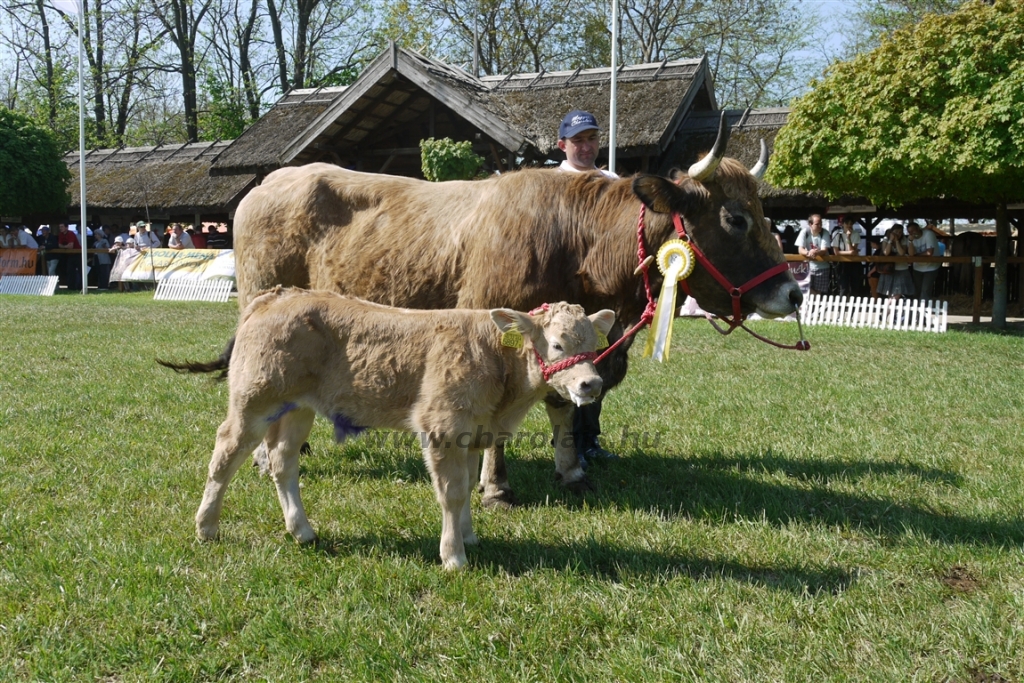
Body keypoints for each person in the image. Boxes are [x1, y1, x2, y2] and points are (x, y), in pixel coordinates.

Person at [555, 109, 618, 467]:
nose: (585, 147)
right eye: (577, 140)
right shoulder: (551, 184)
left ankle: (589, 438)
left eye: (591, 139)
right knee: (568, 364)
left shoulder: (613, 181)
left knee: (601, 364)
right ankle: (565, 440)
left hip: (602, 290)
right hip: (564, 290)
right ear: (562, 144)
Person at [796, 214, 832, 295]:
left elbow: (824, 250)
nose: (820, 226)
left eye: (821, 223)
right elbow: (800, 249)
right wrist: (808, 252)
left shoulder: (824, 232)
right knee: (806, 289)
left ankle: (816, 305)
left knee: (819, 292)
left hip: (823, 267)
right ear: (810, 224)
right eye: (817, 224)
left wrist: (815, 252)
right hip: (807, 267)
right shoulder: (804, 232)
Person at [878, 223, 914, 299]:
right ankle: (890, 308)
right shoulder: (886, 238)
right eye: (896, 231)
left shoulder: (904, 239)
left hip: (902, 268)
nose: (898, 234)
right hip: (889, 269)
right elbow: (886, 253)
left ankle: (889, 307)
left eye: (900, 232)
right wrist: (890, 240)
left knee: (899, 292)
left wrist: (897, 241)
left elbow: (901, 253)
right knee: (889, 291)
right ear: (892, 231)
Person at [908, 221, 940, 301]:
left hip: (931, 267)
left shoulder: (929, 234)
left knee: (925, 290)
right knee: (917, 289)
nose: (911, 233)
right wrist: (911, 242)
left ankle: (923, 309)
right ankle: (915, 308)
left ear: (918, 228)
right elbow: (911, 254)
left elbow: (929, 252)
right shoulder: (911, 239)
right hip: (918, 267)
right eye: (909, 232)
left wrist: (916, 256)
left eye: (913, 230)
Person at [831, 215, 862, 297]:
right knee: (843, 287)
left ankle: (854, 306)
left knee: (855, 286)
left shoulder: (855, 234)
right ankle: (842, 307)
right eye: (847, 223)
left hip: (854, 263)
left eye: (851, 224)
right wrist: (850, 253)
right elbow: (836, 252)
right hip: (842, 263)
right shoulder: (837, 234)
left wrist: (848, 238)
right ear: (843, 224)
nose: (849, 226)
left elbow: (852, 250)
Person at [56, 223, 82, 290]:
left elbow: (71, 246)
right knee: (70, 271)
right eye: (59, 227)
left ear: (66, 227)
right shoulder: (61, 234)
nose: (60, 228)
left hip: (77, 254)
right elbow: (59, 245)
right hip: (70, 255)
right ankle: (71, 287)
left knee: (80, 271)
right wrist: (65, 247)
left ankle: (80, 287)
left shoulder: (71, 233)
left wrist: (64, 247)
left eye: (62, 227)